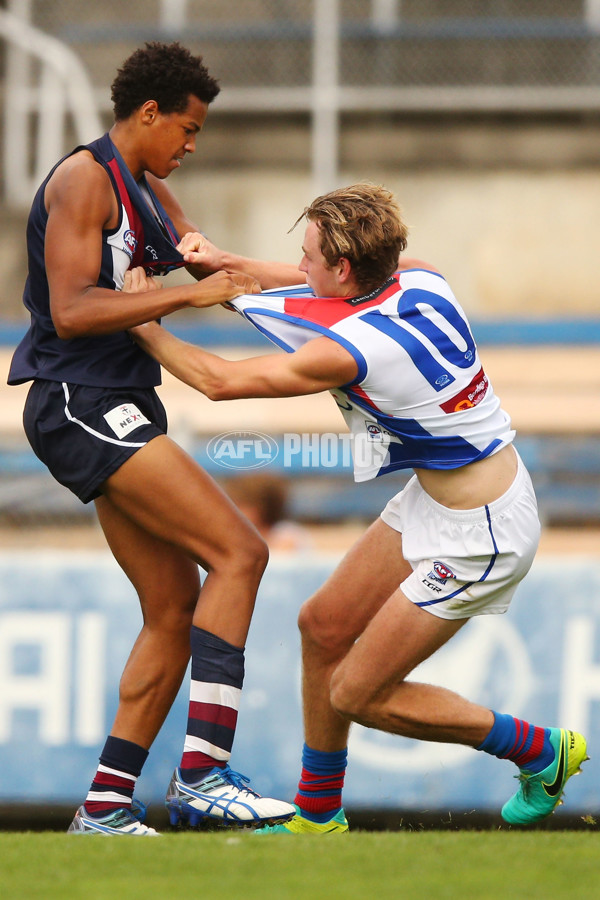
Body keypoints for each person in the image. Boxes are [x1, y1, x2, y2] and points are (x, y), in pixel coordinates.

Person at [129, 182, 588, 833]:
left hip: (484, 534)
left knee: (357, 693)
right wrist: (225, 264)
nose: (302, 264)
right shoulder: (419, 279)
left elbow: (220, 381)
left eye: (312, 255)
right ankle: (318, 815)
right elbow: (301, 285)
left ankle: (541, 751)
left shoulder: (354, 352)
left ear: (345, 268)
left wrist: (143, 321)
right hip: (442, 494)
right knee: (322, 628)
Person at [7, 41, 301, 835]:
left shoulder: (148, 194)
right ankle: (203, 772)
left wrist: (353, 278)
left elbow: (214, 269)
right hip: (78, 399)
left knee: (172, 608)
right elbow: (70, 310)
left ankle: (104, 807)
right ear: (148, 114)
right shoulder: (82, 180)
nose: (192, 146)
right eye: (188, 129)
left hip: (118, 399)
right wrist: (177, 298)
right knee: (242, 552)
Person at [225, 473, 313, 553]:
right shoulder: (237, 538)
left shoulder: (286, 535)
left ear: (261, 509)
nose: (234, 511)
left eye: (240, 505)